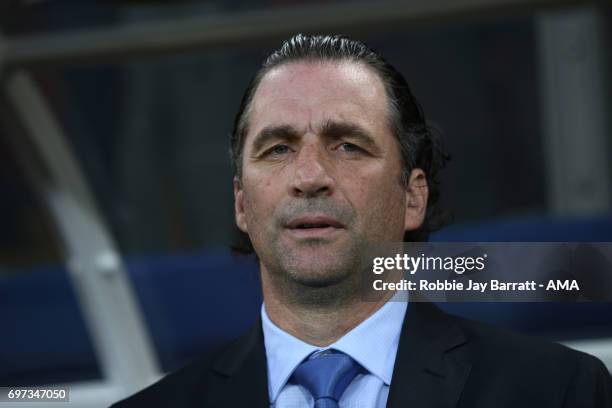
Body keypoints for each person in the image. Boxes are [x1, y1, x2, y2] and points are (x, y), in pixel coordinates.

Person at [112, 34, 612, 408]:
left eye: (348, 145)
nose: (309, 177)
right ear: (242, 203)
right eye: (278, 148)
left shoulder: (559, 391)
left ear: (413, 195)